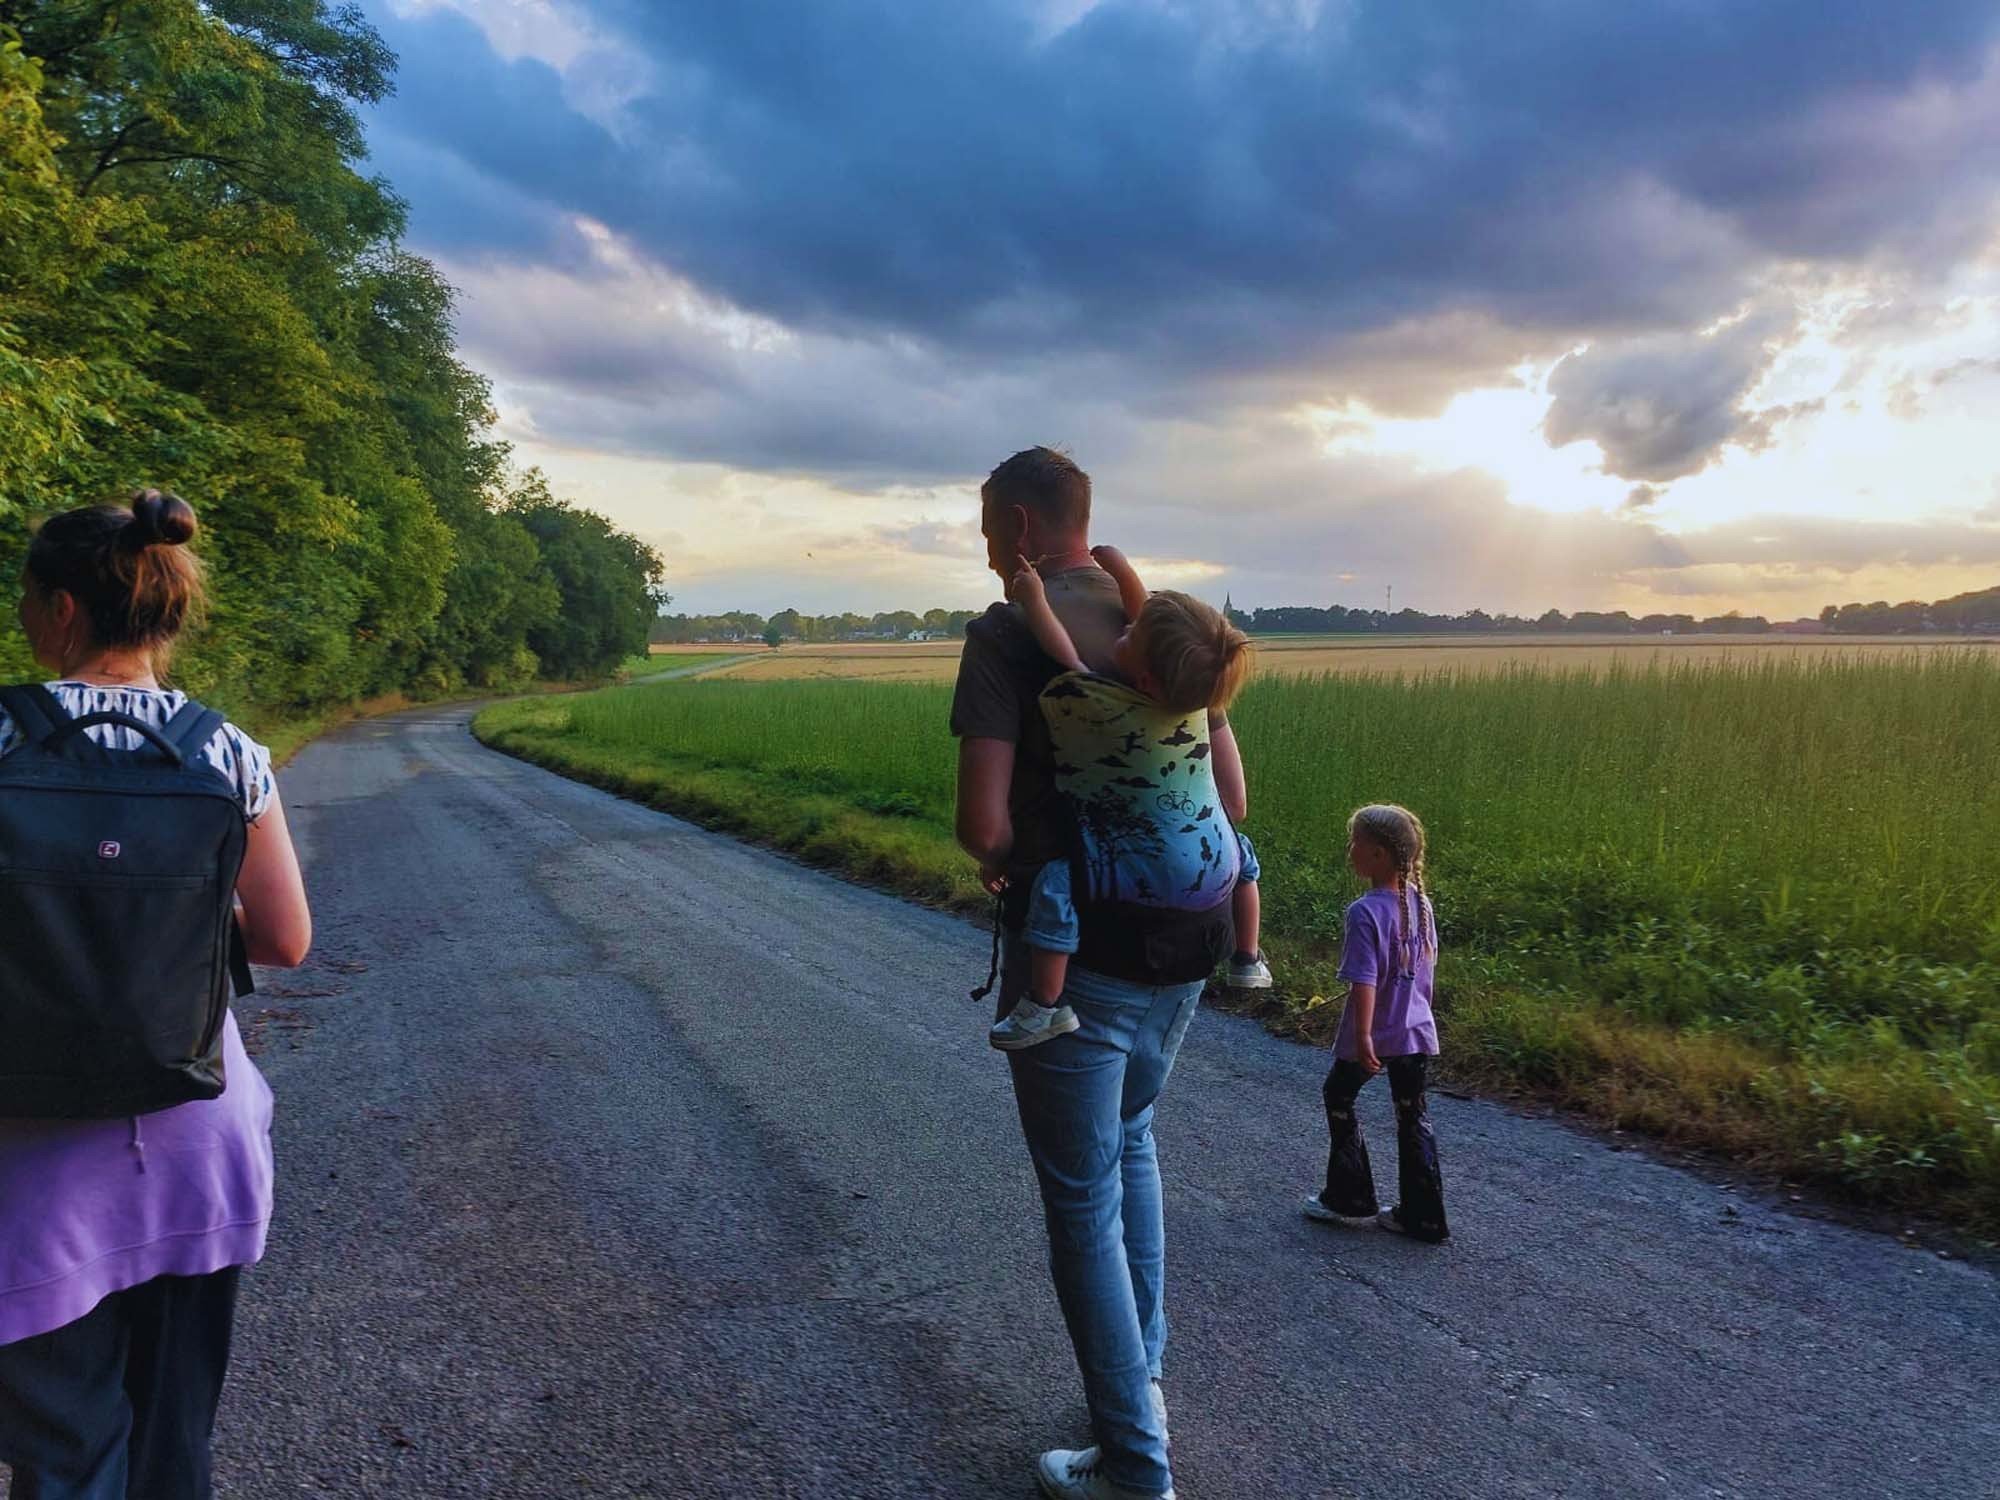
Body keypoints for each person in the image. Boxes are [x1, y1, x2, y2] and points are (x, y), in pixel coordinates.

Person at [0, 490, 312, 1498]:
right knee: (172, 1450)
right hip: (195, 1139)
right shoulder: (228, 753)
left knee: (64, 1453)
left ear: (56, 609)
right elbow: (287, 941)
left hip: (32, 1161)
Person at [953, 447, 1245, 1500]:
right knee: (1131, 1146)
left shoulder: (1003, 635)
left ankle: (1134, 1465)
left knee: (1078, 1202)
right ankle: (1142, 1388)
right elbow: (1231, 792)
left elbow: (980, 824)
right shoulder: (1161, 628)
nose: (988, 555)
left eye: (991, 533)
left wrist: (1003, 866)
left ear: (1024, 526)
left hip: (1081, 955)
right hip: (1193, 938)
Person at [989, 546, 1258, 1051]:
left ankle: (1045, 1005)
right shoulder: (1194, 704)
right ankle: (1248, 956)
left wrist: (1032, 597)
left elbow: (1059, 649)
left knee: (1055, 883)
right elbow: (1153, 624)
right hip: (1214, 869)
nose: (1123, 630)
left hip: (1147, 876)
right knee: (1243, 856)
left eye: (1130, 636)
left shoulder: (1101, 703)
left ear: (1146, 678)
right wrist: (1123, 571)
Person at [1302, 803, 1449, 1243]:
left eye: (1357, 843)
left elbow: (1365, 983)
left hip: (1378, 1031)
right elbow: (1426, 970)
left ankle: (1350, 1196)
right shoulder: (1421, 905)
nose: (1351, 850)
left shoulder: (1364, 912)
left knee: (1338, 1095)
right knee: (1412, 1116)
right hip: (1416, 1030)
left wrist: (1363, 1036)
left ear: (1380, 854)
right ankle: (1424, 1216)